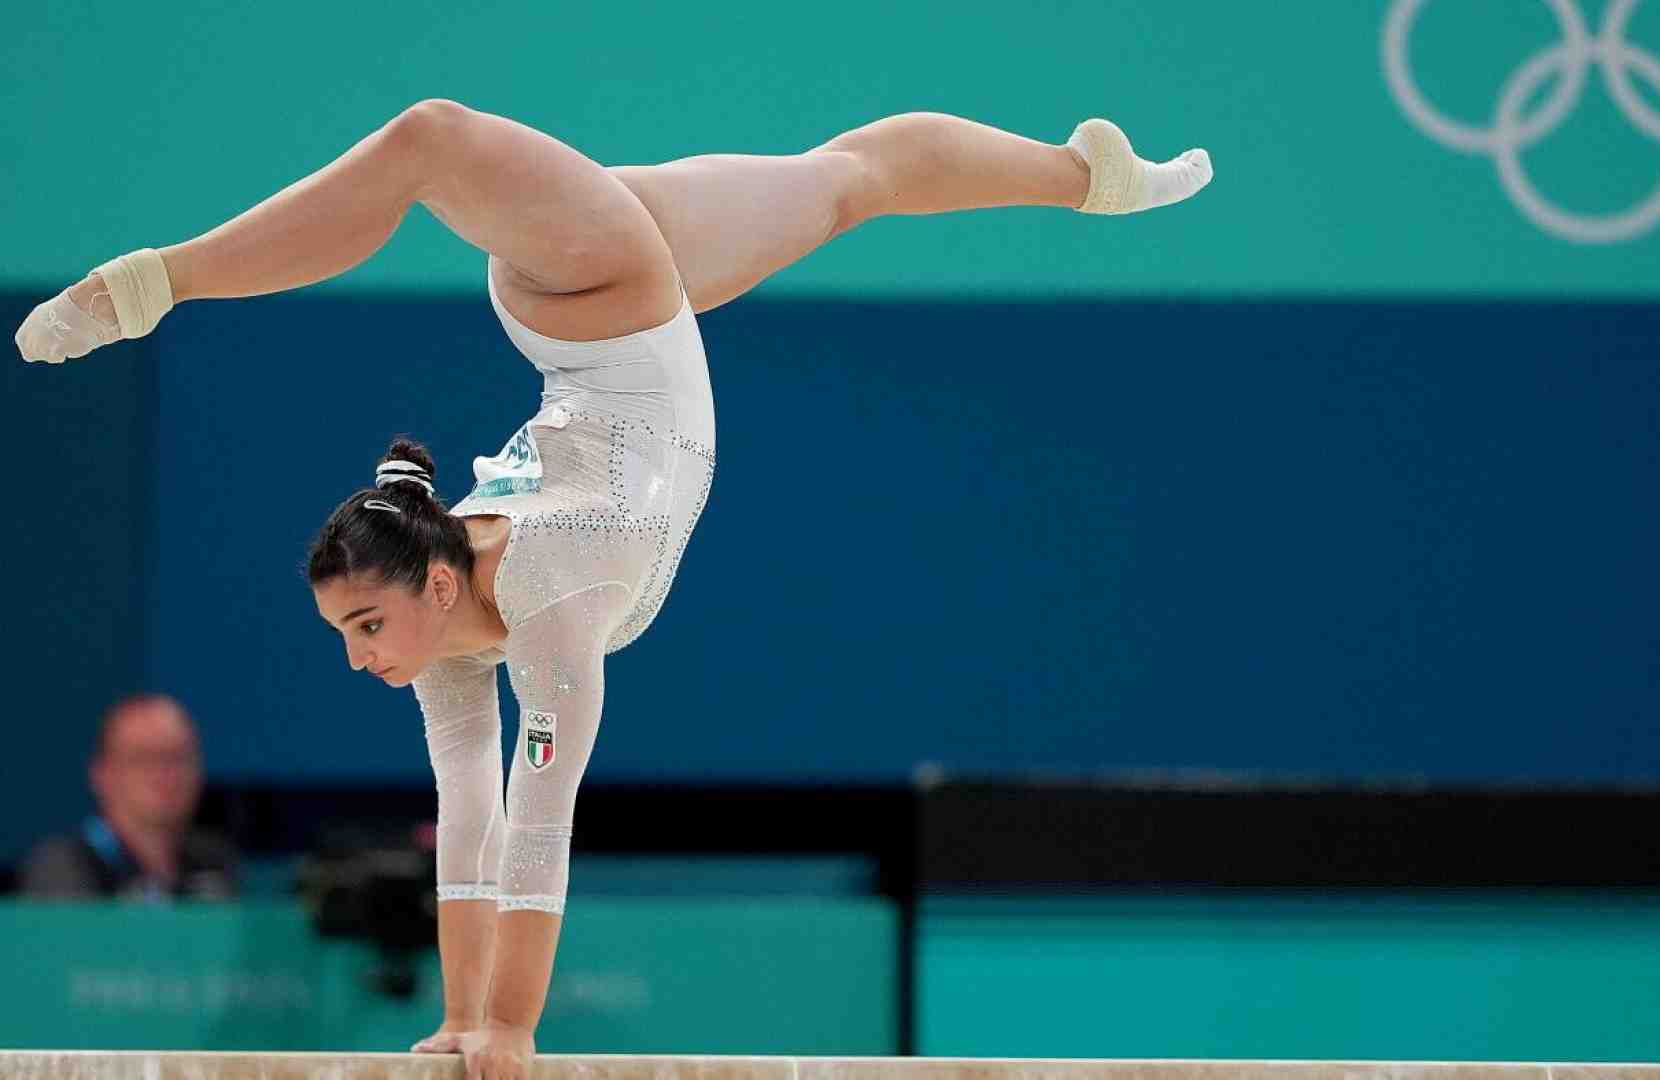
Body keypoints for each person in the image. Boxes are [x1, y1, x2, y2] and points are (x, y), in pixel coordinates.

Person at [15, 100, 1212, 1079]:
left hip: (597, 302)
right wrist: (462, 1017)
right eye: (344, 635)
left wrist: (516, 1028)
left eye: (366, 624)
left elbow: (542, 828)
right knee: (850, 179)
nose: (358, 657)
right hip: (633, 311)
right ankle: (1082, 175)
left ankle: (158, 282)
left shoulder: (553, 585)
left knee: (428, 137)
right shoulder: (467, 636)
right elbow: (473, 819)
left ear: (435, 581)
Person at [19, 693, 238, 901]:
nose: (165, 773)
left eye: (179, 757)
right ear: (102, 774)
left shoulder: (213, 867)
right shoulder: (63, 869)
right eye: (144, 757)